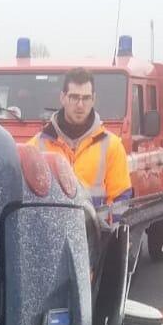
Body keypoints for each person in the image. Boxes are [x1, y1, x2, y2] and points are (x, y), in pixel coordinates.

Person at [28, 68, 132, 216]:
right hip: (49, 236)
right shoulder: (35, 146)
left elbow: (121, 200)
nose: (80, 105)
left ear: (93, 99)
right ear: (62, 97)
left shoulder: (112, 146)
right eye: (74, 97)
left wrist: (110, 234)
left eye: (86, 98)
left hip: (96, 237)